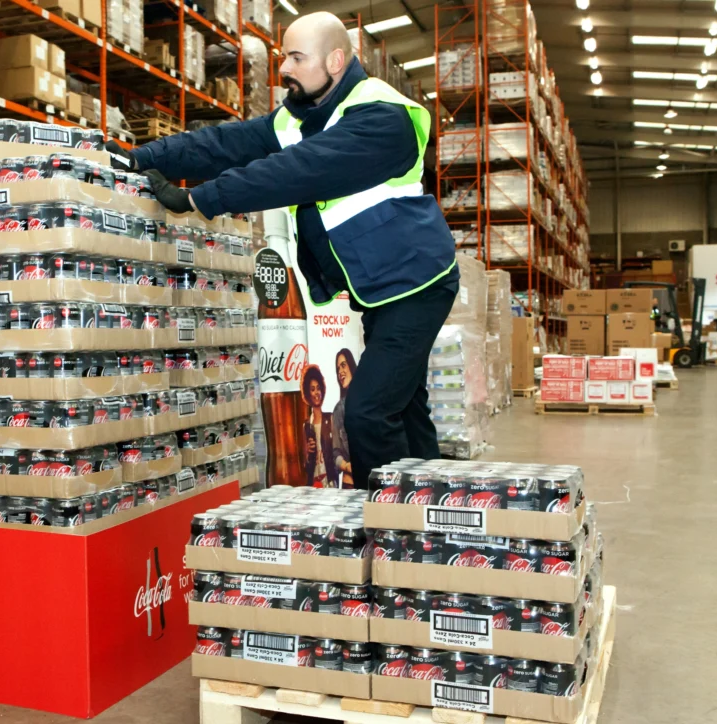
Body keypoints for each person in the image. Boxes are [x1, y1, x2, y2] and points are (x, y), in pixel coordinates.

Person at [105, 11, 459, 489]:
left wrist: (199, 198)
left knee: (369, 414)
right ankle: (432, 514)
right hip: (378, 288)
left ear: (335, 60)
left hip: (416, 285)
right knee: (405, 408)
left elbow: (297, 170)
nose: (284, 69)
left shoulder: (382, 117)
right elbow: (224, 143)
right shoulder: (300, 115)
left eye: (296, 57)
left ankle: (394, 531)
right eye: (282, 57)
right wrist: (139, 157)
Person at [301, 365, 335, 487]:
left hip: (329, 482)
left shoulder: (330, 419)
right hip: (313, 483)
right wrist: (307, 452)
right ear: (307, 393)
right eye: (312, 389)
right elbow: (304, 464)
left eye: (318, 388)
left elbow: (336, 453)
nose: (316, 392)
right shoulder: (306, 426)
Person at [332, 348, 356, 488]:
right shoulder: (338, 410)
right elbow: (335, 454)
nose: (340, 371)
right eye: (337, 369)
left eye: (343, 365)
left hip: (372, 481)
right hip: (350, 484)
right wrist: (346, 466)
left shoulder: (368, 403)